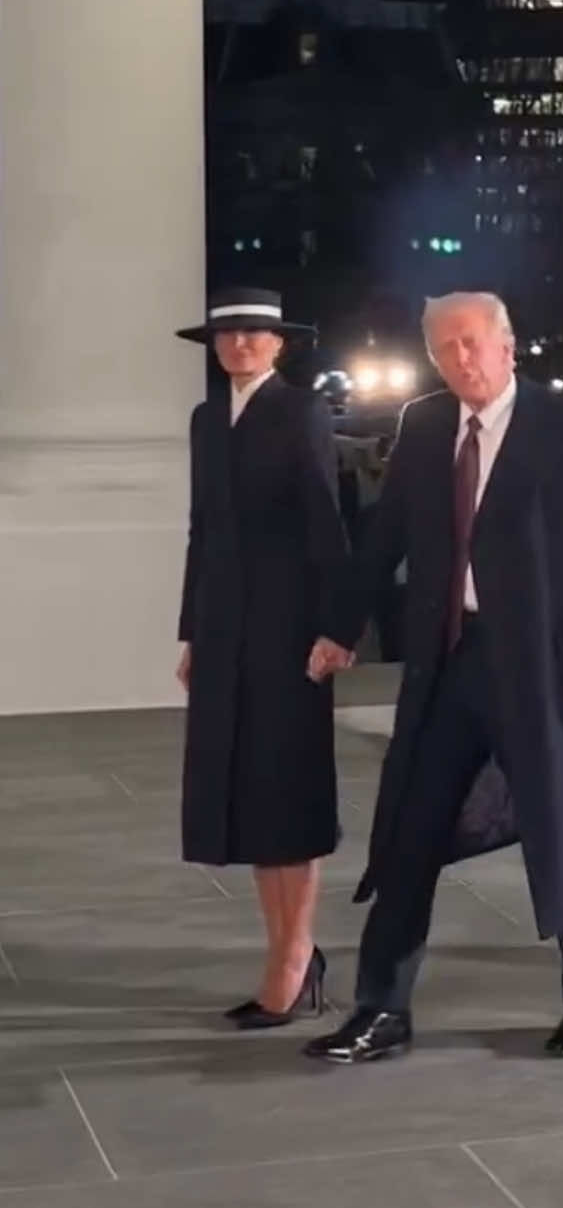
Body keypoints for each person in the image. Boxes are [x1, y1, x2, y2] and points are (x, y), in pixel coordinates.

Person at [304, 291, 563, 1064]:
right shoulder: (424, 426)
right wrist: (340, 625)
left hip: (547, 669)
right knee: (409, 832)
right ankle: (382, 1009)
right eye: (445, 348)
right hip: (448, 662)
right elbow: (383, 535)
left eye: (473, 343)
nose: (461, 359)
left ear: (507, 345)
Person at [176, 286, 349, 1028]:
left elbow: (327, 526)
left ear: (280, 344)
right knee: (246, 790)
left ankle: (294, 954)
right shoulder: (206, 419)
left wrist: (336, 628)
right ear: (214, 346)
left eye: (255, 334)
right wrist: (190, 630)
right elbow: (201, 531)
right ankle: (286, 950)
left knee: (289, 789)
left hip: (289, 633)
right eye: (229, 334)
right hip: (221, 631)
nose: (241, 344)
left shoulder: (301, 411)